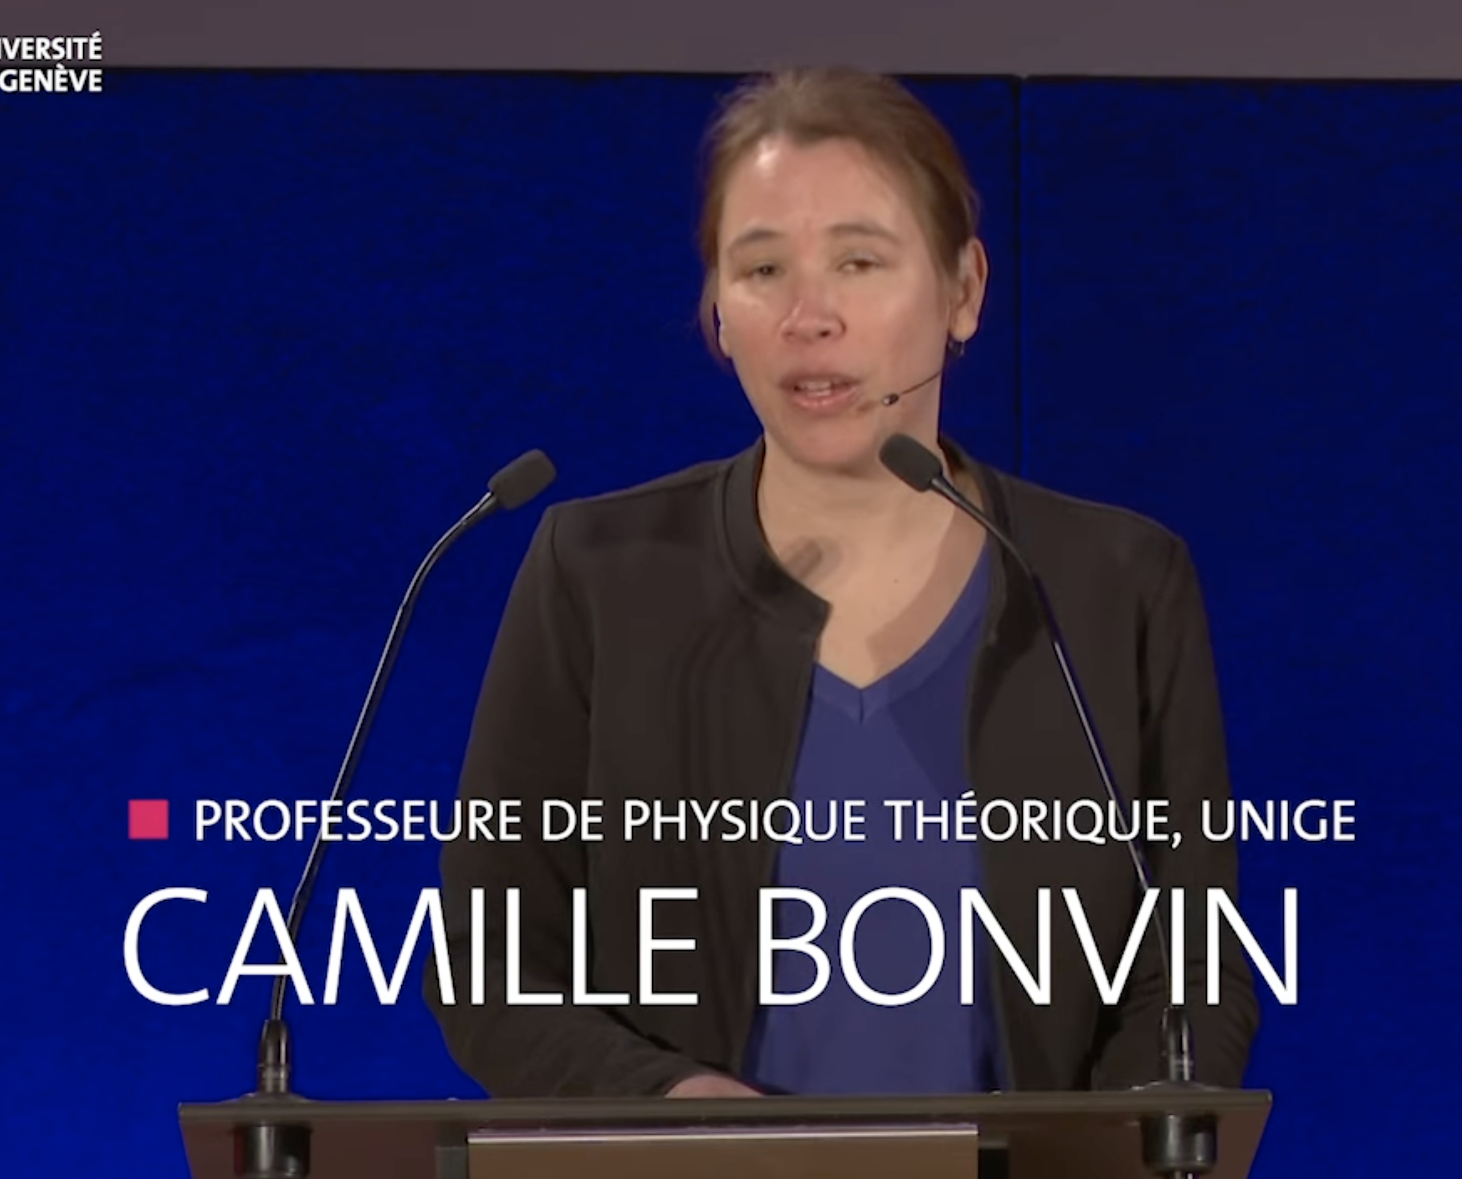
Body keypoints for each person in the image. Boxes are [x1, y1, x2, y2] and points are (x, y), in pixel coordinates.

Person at [423, 66, 1258, 1099]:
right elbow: (489, 965)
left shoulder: (1116, 585)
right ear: (716, 310)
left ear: (963, 290)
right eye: (762, 268)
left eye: (859, 261)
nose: (808, 316)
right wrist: (676, 1112)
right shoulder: (598, 572)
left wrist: (1100, 1154)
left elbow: (1193, 972)